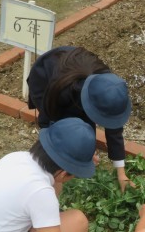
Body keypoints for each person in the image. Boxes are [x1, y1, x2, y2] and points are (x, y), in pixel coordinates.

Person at [27, 45, 133, 192]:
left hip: (75, 80)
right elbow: (50, 124)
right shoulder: (62, 93)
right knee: (67, 130)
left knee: (83, 131)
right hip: (44, 79)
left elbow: (114, 128)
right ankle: (51, 174)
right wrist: (67, 159)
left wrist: (121, 173)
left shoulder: (108, 89)